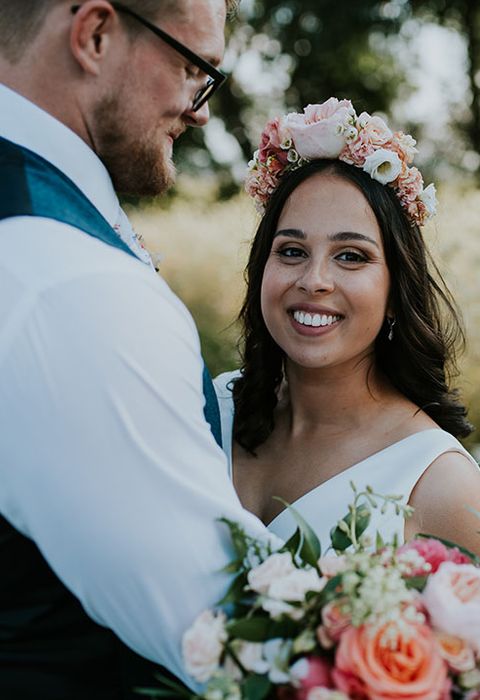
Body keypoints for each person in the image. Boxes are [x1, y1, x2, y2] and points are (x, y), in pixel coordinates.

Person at [0, 1, 276, 696]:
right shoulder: (66, 280)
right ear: (94, 34)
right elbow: (228, 628)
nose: (201, 109)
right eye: (195, 68)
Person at [215, 99, 480, 556]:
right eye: (291, 250)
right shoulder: (210, 412)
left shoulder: (441, 489)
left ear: (395, 292)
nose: (313, 281)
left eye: (351, 256)